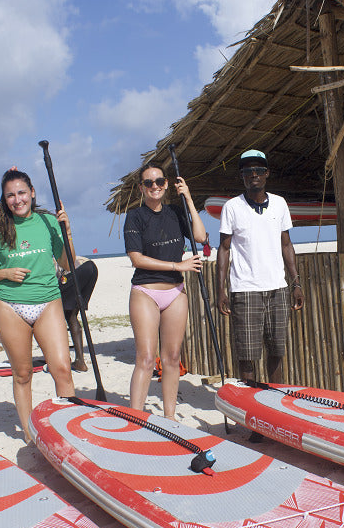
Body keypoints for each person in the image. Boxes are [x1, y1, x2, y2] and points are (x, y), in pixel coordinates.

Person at [0, 168, 76, 442]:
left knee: (62, 369)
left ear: (32, 193)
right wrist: (4, 273)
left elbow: (67, 263)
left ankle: (69, 430)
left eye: (21, 193)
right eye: (10, 195)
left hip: (48, 301)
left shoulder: (48, 222)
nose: (17, 199)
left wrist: (66, 231)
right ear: (4, 199)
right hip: (9, 306)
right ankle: (30, 436)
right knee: (22, 374)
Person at [124, 161, 207, 419]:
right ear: (141, 188)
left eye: (159, 181)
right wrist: (177, 264)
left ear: (167, 184)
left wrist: (190, 200)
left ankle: (169, 417)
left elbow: (201, 237)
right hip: (145, 292)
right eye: (149, 183)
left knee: (172, 358)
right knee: (147, 359)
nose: (155, 187)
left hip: (175, 292)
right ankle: (135, 419)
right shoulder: (135, 216)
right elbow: (136, 259)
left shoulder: (175, 211)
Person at [217, 149, 303, 382]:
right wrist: (221, 290)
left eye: (257, 170)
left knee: (276, 351)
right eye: (247, 171)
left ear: (266, 174)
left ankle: (276, 404)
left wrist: (296, 283)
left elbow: (287, 244)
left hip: (277, 289)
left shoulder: (279, 204)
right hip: (245, 290)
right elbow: (224, 249)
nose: (253, 175)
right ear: (242, 177)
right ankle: (251, 407)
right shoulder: (232, 207)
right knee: (247, 355)